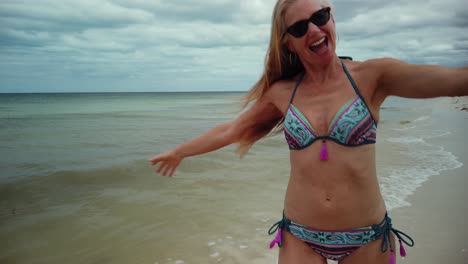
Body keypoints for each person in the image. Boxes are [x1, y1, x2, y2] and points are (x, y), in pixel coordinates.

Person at [149, 0, 468, 263]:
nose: (314, 29)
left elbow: (455, 80)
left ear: (331, 17)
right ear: (286, 41)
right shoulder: (281, 92)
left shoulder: (374, 76)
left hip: (367, 237)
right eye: (300, 28)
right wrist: (180, 152)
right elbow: (232, 129)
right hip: (299, 235)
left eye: (320, 16)